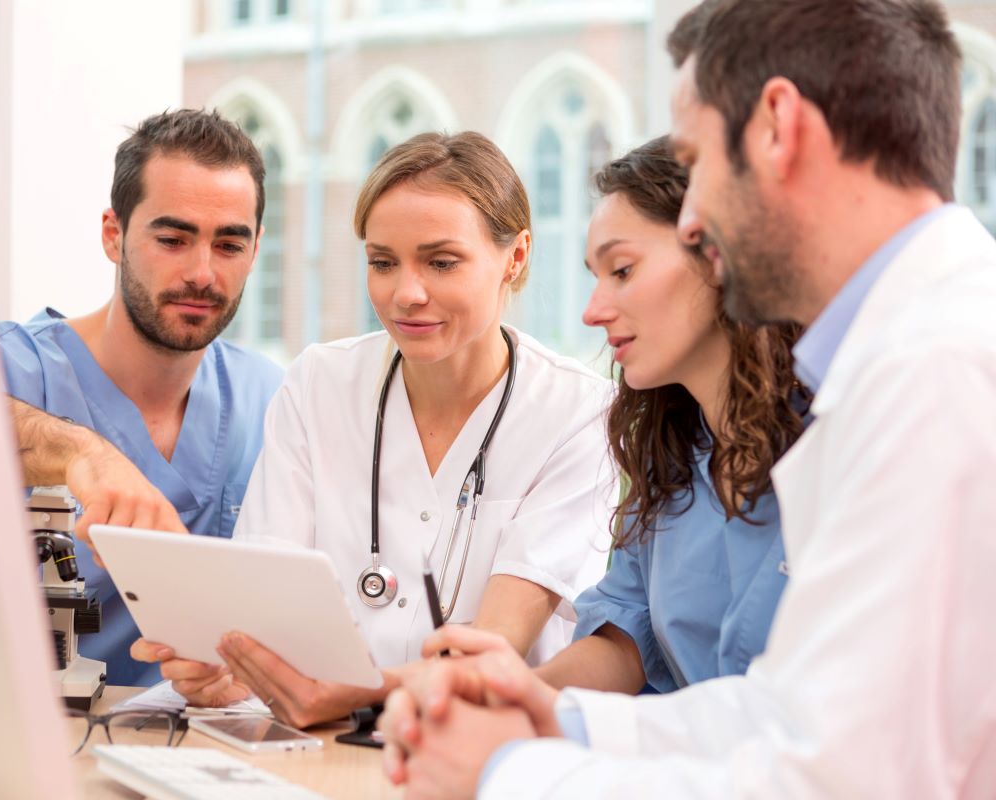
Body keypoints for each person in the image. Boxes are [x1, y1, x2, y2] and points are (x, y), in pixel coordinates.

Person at [378, 1, 996, 796]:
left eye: (697, 160)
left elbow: (835, 778)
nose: (696, 217)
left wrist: (507, 772)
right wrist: (556, 716)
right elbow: (790, 710)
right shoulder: (909, 353)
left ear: (779, 126)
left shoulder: (939, 371)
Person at [134, 131, 615, 726]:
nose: (405, 294)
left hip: (471, 749)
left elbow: (496, 648)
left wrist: (359, 691)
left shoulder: (577, 412)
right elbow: (265, 596)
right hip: (314, 744)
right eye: (382, 263)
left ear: (515, 256)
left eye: (441, 262)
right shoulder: (318, 385)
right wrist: (231, 666)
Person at [425, 136, 808, 699]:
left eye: (622, 271)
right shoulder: (669, 454)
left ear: (720, 255)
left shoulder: (839, 443)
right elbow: (624, 643)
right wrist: (514, 697)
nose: (593, 311)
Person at [0, 108, 283, 686]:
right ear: (114, 234)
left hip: (187, 750)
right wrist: (85, 454)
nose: (202, 274)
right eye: (173, 239)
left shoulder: (272, 400)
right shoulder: (15, 367)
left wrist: (243, 675)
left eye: (229, 245)